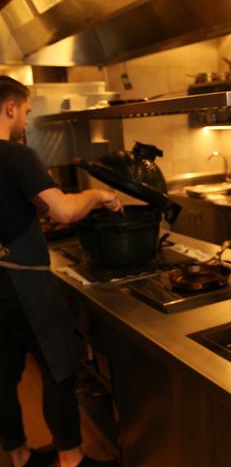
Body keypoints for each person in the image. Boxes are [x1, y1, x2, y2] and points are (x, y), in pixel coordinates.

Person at [0, 75, 122, 467]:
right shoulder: (17, 156)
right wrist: (97, 194)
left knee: (3, 375)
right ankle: (73, 459)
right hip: (26, 281)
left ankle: (18, 456)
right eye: (26, 113)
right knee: (59, 368)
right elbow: (65, 211)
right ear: (10, 108)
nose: (25, 122)